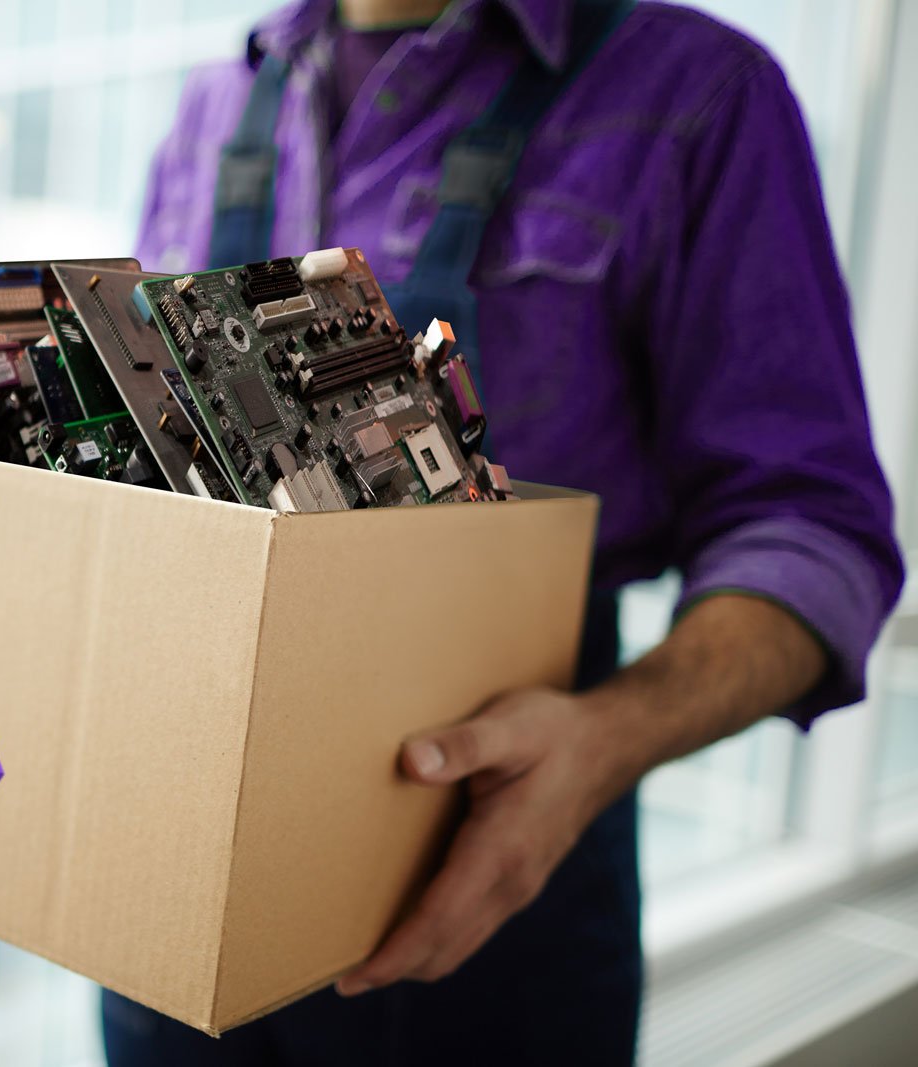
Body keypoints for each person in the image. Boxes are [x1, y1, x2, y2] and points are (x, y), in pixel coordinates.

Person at [101, 0, 905, 1063]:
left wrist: (602, 741)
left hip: (498, 859)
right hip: (167, 875)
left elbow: (815, 529)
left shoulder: (698, 97)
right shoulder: (214, 100)